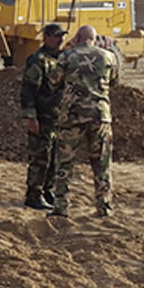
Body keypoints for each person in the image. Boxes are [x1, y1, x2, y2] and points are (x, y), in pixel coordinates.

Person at [48, 25, 119, 218]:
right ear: (94, 39)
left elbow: (53, 81)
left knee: (65, 163)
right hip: (100, 116)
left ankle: (61, 206)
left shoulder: (67, 56)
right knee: (102, 163)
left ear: (78, 37)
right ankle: (104, 206)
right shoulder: (109, 57)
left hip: (72, 117)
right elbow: (114, 81)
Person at [19, 23, 67, 210]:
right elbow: (28, 90)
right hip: (42, 116)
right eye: (56, 36)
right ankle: (33, 194)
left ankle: (48, 190)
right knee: (40, 157)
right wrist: (31, 117)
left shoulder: (62, 58)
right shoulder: (38, 60)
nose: (61, 39)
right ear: (46, 37)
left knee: (55, 156)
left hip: (57, 117)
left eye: (62, 35)